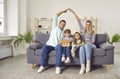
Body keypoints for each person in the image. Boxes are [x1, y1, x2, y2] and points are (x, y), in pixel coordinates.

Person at [37, 9, 69, 74]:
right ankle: (43, 65)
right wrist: (63, 11)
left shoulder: (63, 33)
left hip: (57, 45)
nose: (62, 25)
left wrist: (62, 42)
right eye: (61, 24)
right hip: (49, 44)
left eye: (64, 24)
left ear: (65, 25)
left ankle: (58, 67)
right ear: (59, 24)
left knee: (59, 47)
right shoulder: (55, 27)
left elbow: (65, 41)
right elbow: (55, 16)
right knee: (44, 48)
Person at [69, 9, 96, 74]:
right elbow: (78, 21)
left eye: (89, 24)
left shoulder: (92, 32)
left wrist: (86, 43)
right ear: (85, 25)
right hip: (83, 45)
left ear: (91, 25)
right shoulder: (83, 29)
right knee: (81, 48)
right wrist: (74, 13)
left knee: (86, 45)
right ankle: (82, 66)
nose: (88, 25)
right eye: (87, 24)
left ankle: (88, 64)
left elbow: (93, 41)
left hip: (91, 45)